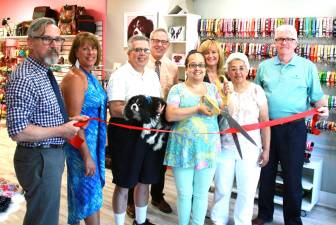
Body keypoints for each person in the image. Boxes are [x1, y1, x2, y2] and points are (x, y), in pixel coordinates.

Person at [5, 17, 83, 225]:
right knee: (43, 219)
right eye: (47, 39)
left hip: (48, 156)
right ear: (29, 42)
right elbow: (18, 131)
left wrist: (69, 121)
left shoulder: (44, 72)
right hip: (39, 158)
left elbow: (43, 114)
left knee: (44, 214)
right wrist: (61, 130)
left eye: (58, 40)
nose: (55, 45)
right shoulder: (25, 77)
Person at [252, 25, 329, 225]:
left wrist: (324, 110)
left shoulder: (307, 67)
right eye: (280, 39)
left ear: (296, 43)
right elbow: (256, 97)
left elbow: (317, 98)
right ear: (274, 42)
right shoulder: (264, 67)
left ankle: (293, 220)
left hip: (295, 129)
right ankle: (264, 215)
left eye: (289, 39)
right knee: (266, 173)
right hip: (267, 128)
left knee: (292, 177)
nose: (284, 42)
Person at [107, 35, 162, 225]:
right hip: (126, 135)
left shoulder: (152, 75)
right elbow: (115, 108)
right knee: (124, 184)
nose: (142, 54)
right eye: (137, 50)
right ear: (128, 52)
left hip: (149, 135)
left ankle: (140, 221)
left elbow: (158, 105)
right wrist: (143, 114)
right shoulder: (119, 75)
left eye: (145, 50)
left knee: (145, 181)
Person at [210, 52, 270, 225]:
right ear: (228, 71)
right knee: (221, 188)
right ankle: (218, 220)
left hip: (251, 148)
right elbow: (215, 115)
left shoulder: (256, 90)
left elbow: (264, 121)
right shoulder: (221, 89)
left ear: (248, 70)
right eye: (233, 69)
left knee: (247, 190)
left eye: (241, 68)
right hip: (225, 147)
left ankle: (242, 221)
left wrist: (266, 149)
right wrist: (223, 95)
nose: (238, 73)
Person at [164, 50, 222, 225]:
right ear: (187, 68)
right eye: (193, 65)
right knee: (184, 194)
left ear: (205, 68)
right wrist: (196, 109)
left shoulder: (212, 89)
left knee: (201, 193)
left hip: (208, 149)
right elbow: (170, 115)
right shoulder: (177, 89)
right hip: (182, 149)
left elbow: (221, 111)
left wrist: (228, 95)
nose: (198, 68)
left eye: (201, 65)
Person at [127, 28, 178, 218]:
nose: (159, 45)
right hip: (142, 122)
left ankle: (157, 195)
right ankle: (132, 201)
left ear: (168, 45)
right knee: (137, 161)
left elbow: (173, 93)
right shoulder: (139, 61)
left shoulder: (172, 67)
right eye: (156, 40)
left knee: (159, 162)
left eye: (164, 42)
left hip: (163, 122)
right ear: (149, 41)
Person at [61, 32, 107, 225]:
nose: (91, 52)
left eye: (94, 48)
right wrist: (87, 156)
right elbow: (74, 123)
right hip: (81, 145)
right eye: (85, 48)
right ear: (76, 52)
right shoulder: (76, 78)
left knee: (92, 193)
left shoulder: (88, 75)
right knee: (86, 194)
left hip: (92, 143)